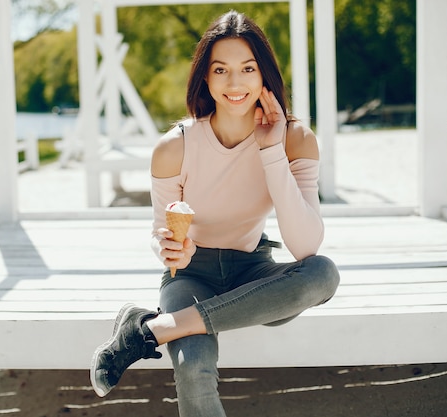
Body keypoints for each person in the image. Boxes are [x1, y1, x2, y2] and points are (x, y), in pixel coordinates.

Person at [90, 10, 340, 416]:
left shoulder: (295, 139)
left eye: (247, 68)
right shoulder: (174, 147)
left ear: (264, 76)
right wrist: (170, 249)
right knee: (193, 368)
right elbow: (160, 230)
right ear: (205, 77)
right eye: (220, 70)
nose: (235, 83)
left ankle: (148, 329)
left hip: (253, 271)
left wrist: (271, 149)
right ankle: (162, 325)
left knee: (324, 272)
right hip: (190, 275)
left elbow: (306, 245)